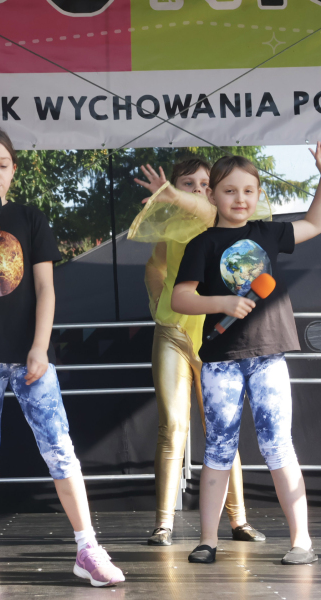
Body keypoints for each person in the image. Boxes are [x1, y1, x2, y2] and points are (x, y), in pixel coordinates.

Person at [0, 123, 124, 590]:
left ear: (14, 170)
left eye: (2, 164)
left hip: (30, 355)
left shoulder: (31, 219)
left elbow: (46, 289)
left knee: (59, 447)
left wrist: (40, 346)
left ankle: (88, 547)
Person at [171, 146, 321, 565]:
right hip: (221, 361)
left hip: (269, 356)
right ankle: (207, 540)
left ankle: (301, 541)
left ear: (258, 194)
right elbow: (181, 297)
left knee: (279, 445)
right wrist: (221, 302)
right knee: (218, 448)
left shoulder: (269, 233)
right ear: (212, 195)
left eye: (249, 190)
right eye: (230, 190)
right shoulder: (201, 244)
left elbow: (314, 223)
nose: (240, 198)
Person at [129, 159, 266, 546]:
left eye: (206, 183)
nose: (198, 189)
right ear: (176, 187)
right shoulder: (172, 226)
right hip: (172, 333)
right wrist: (157, 301)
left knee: (221, 429)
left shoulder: (218, 220)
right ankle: (163, 523)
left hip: (213, 339)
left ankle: (238, 520)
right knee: (172, 426)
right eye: (188, 183)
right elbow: (155, 266)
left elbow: (206, 211)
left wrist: (175, 195)